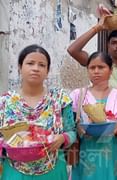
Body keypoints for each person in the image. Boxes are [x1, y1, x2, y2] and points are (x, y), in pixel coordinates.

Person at [0, 44, 76, 179]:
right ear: (20, 67)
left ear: (47, 71)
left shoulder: (59, 99)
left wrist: (62, 138)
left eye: (42, 65)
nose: (36, 68)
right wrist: (7, 145)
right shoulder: (5, 102)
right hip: (15, 171)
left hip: (52, 169)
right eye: (30, 63)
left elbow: (72, 132)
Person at [70, 52, 117, 180]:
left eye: (101, 67)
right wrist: (78, 129)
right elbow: (69, 124)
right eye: (92, 68)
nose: (96, 71)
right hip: (86, 152)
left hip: (112, 153)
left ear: (110, 70)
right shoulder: (77, 95)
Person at [67, 7, 117, 89]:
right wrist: (97, 28)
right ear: (108, 46)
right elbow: (73, 50)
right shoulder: (100, 64)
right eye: (114, 43)